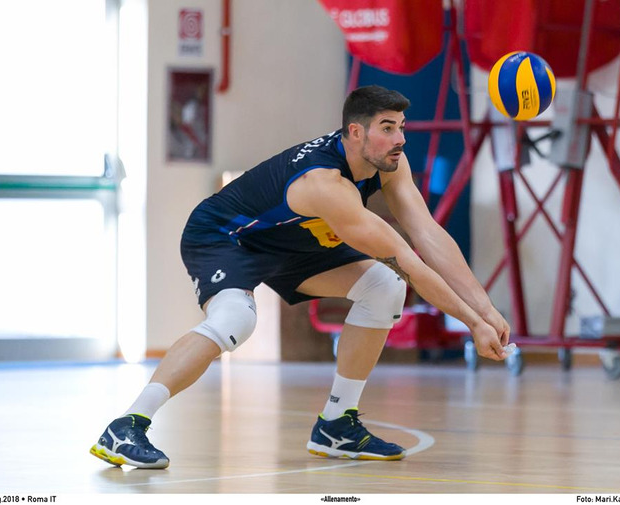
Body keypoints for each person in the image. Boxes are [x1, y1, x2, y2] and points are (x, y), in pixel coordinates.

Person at [90, 85, 511, 469]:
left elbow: (428, 234)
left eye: (401, 127)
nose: (400, 138)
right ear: (356, 132)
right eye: (387, 128)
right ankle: (127, 425)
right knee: (236, 319)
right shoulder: (325, 184)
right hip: (226, 236)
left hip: (295, 240)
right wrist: (472, 323)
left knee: (384, 287)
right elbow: (409, 260)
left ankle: (336, 425)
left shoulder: (386, 161)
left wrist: (486, 309)